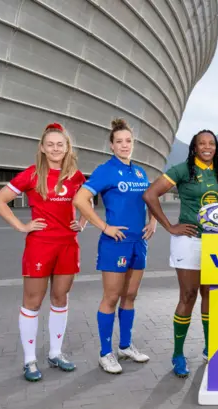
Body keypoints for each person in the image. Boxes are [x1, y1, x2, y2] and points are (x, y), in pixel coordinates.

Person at [0, 122, 86, 382]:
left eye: (60, 144)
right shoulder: (32, 175)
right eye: (51, 144)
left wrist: (83, 222)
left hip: (68, 245)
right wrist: (22, 226)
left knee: (60, 298)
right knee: (32, 302)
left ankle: (55, 353)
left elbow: (87, 201)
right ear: (42, 148)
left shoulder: (76, 176)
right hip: (40, 245)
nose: (56, 148)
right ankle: (30, 360)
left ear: (67, 148)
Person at [142, 129, 218, 378]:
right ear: (194, 148)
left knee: (210, 295)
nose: (207, 147)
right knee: (188, 295)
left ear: (216, 147)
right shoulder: (183, 169)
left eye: (211, 143)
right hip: (188, 240)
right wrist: (170, 226)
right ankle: (178, 354)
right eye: (202, 143)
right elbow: (150, 194)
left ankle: (209, 348)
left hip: (217, 243)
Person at [73, 118, 156, 374]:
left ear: (133, 144)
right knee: (111, 297)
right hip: (115, 243)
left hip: (138, 243)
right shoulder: (105, 170)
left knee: (130, 296)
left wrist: (153, 221)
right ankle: (105, 353)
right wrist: (104, 226)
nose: (124, 145)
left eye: (128, 141)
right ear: (111, 145)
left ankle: (126, 346)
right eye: (119, 141)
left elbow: (151, 197)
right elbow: (80, 199)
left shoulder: (140, 172)